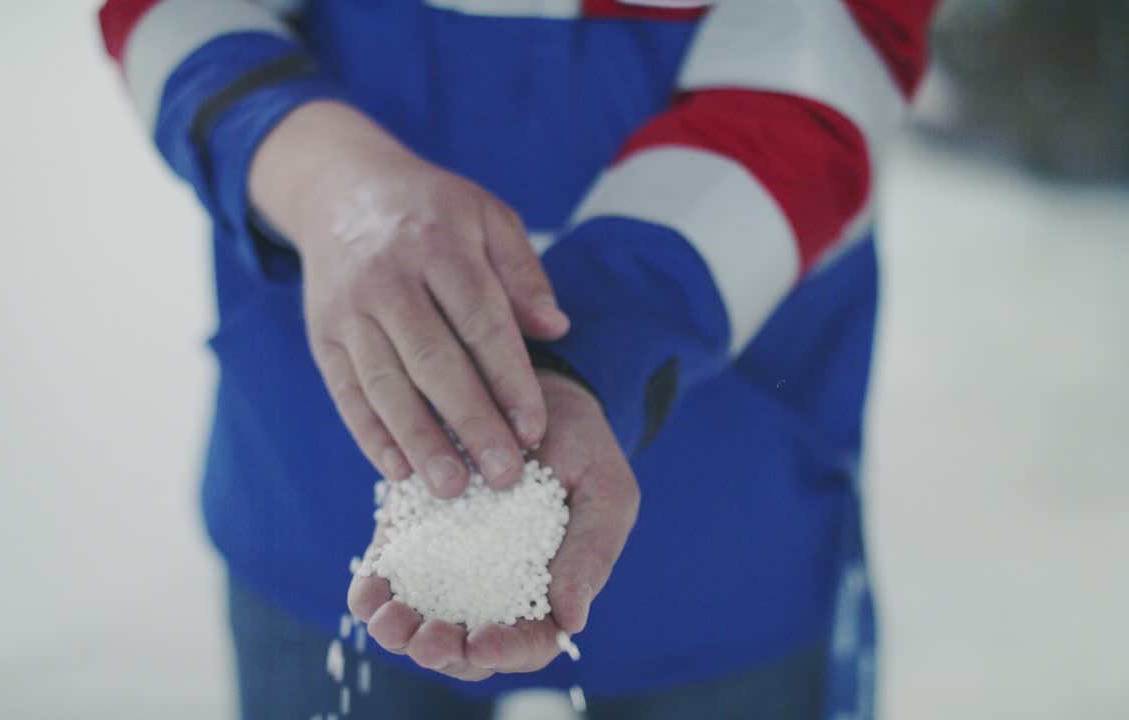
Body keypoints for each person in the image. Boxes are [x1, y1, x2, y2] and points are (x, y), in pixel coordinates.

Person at [98, 1, 936, 717]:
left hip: (728, 489)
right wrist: (327, 180)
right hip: (321, 464)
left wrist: (598, 338)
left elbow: (832, 49)